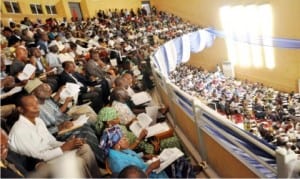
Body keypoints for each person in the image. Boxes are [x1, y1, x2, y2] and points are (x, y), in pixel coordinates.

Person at [8, 95, 101, 178]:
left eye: (36, 103)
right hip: (41, 163)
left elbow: (51, 141)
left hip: (51, 153)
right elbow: (36, 158)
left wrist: (70, 144)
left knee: (84, 147)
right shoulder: (19, 131)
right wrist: (63, 148)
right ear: (20, 109)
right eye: (31, 105)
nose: (36, 107)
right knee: (78, 161)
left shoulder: (38, 121)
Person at [99, 125, 198, 178]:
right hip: (151, 174)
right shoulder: (118, 162)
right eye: (124, 138)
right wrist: (150, 168)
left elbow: (131, 158)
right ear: (118, 144)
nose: (127, 140)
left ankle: (190, 170)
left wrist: (144, 156)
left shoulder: (116, 151)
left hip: (147, 167)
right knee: (178, 162)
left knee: (175, 160)